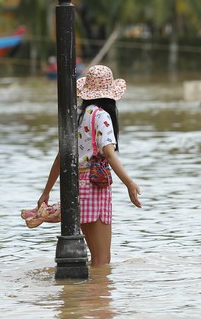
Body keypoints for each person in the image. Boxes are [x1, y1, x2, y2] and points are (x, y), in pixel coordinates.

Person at [37, 65, 142, 266]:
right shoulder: (102, 116)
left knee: (94, 256)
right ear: (110, 95)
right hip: (96, 187)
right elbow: (109, 155)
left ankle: (86, 295)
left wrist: (46, 192)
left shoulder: (77, 116)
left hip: (78, 187)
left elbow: (62, 157)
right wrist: (129, 183)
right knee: (102, 260)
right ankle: (98, 297)